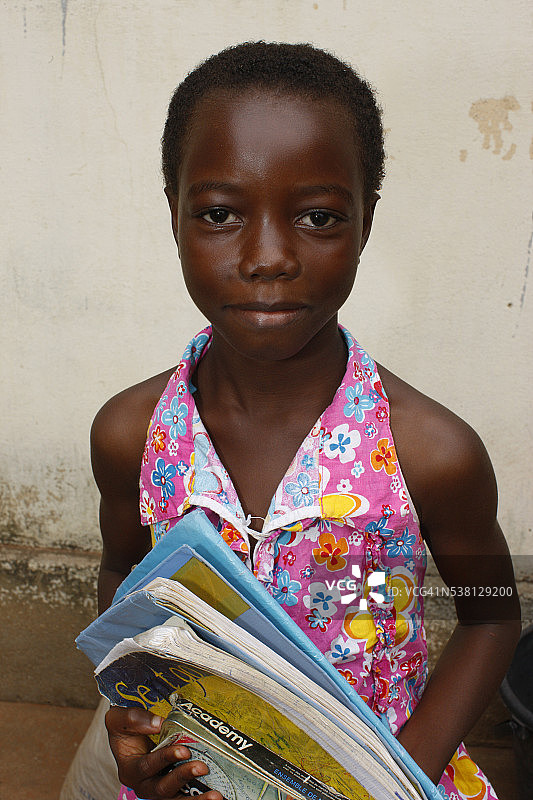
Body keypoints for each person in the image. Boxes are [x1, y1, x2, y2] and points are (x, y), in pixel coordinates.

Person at [91, 42, 521, 800]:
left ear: (364, 221)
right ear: (175, 215)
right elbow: (125, 579)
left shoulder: (430, 452)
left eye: (317, 216)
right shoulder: (131, 434)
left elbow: (489, 619)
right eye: (221, 214)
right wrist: (137, 720)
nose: (267, 257)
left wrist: (388, 778)